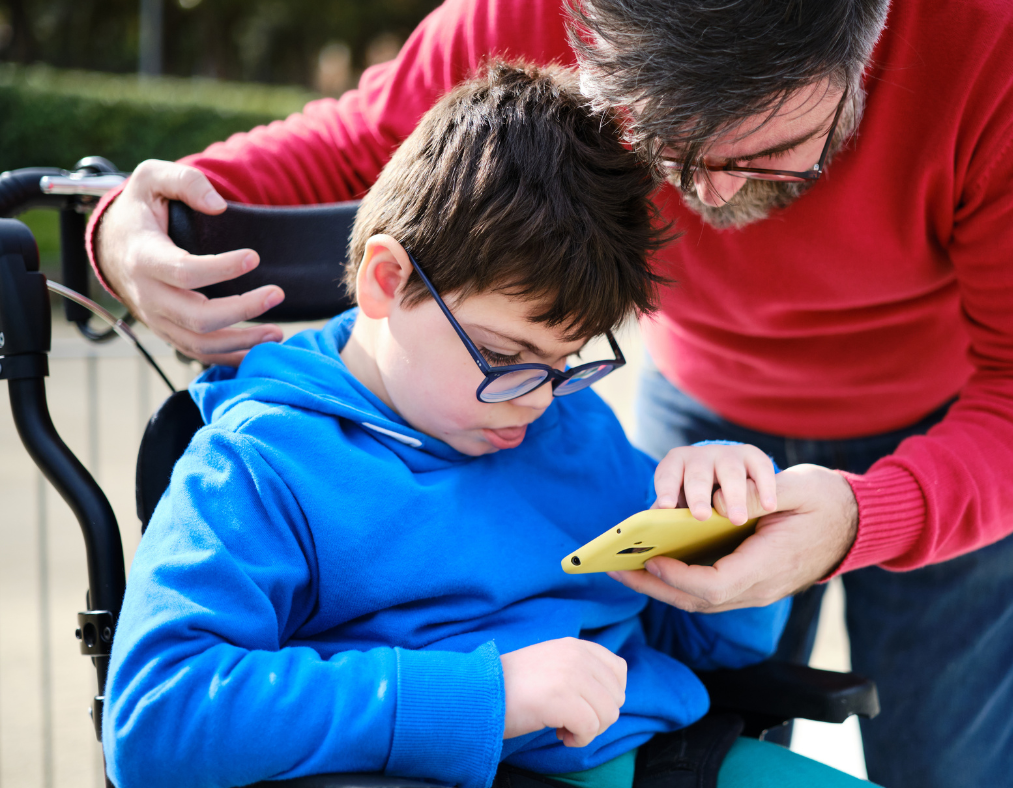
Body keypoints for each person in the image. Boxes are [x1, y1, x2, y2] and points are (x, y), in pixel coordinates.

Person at [89, 0, 1013, 785]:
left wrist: (850, 515)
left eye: (769, 148)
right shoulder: (292, 459)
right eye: (663, 145)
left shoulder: (557, 414)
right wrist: (129, 226)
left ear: (864, 48)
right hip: (701, 400)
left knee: (961, 759)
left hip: (958, 422)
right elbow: (377, 143)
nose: (712, 196)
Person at [104, 62, 876, 788]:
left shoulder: (565, 420)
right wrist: (488, 695)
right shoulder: (260, 465)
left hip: (655, 755)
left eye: (564, 359)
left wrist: (728, 532)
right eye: (506, 355)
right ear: (386, 281)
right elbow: (155, 717)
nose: (537, 398)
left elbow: (707, 648)